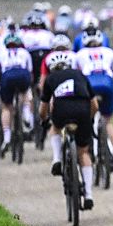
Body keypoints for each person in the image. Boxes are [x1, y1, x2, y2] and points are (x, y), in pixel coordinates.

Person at [40, 51, 97, 210]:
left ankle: (57, 158)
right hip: (82, 111)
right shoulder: (80, 75)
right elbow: (95, 105)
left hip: (62, 111)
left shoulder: (50, 79)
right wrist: (89, 119)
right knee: (83, 152)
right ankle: (89, 194)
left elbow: (43, 108)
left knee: (55, 128)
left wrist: (44, 120)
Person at [74, 29, 113, 168]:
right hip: (107, 85)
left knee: (87, 121)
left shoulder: (79, 54)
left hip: (89, 87)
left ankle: (90, 149)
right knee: (108, 122)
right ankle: (111, 154)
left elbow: (75, 77)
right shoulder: (109, 52)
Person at [0, 33, 34, 151]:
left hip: (7, 77)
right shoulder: (25, 53)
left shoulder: (1, 54)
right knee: (25, 95)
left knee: (6, 107)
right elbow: (30, 73)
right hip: (22, 75)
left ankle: (7, 137)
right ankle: (26, 116)